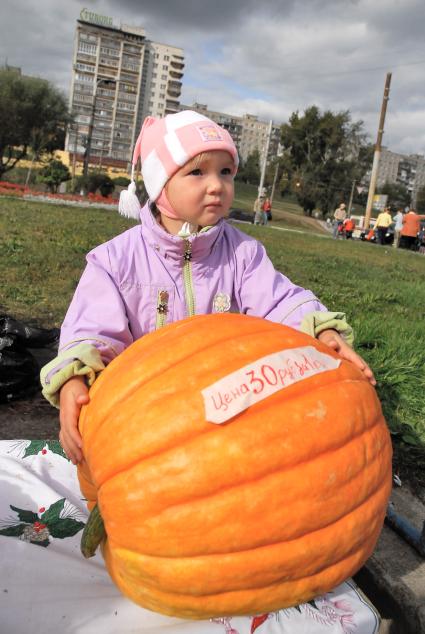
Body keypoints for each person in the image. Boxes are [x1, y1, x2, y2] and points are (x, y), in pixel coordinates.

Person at [40, 110, 375, 465]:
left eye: (225, 172)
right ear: (160, 184)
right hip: (143, 416)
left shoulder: (243, 254)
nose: (217, 185)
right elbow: (91, 332)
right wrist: (74, 377)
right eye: (197, 171)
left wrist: (318, 329)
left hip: (223, 409)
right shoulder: (115, 261)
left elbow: (279, 303)